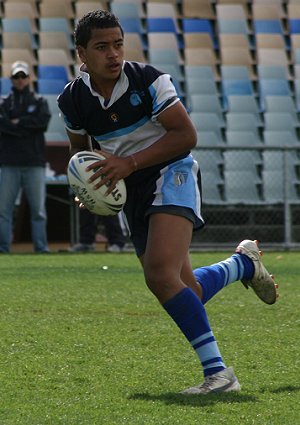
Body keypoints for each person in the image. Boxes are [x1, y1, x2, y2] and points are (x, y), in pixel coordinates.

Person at [57, 10, 279, 394]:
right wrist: (89, 189)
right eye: (102, 47)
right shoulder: (73, 100)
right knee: (183, 287)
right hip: (130, 187)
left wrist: (128, 162)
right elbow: (82, 153)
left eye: (118, 44)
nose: (113, 54)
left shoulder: (148, 79)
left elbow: (185, 135)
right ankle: (241, 265)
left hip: (170, 170)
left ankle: (220, 375)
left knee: (160, 275)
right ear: (82, 54)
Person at [0, 61, 51, 253]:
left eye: (23, 76)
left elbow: (42, 123)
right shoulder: (4, 102)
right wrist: (26, 126)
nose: (20, 80)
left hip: (34, 163)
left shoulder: (40, 101)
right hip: (9, 163)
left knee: (38, 210)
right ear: (11, 79)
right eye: (16, 77)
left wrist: (17, 123)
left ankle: (41, 247)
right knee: (4, 211)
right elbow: (3, 125)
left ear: (29, 78)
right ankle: (3, 248)